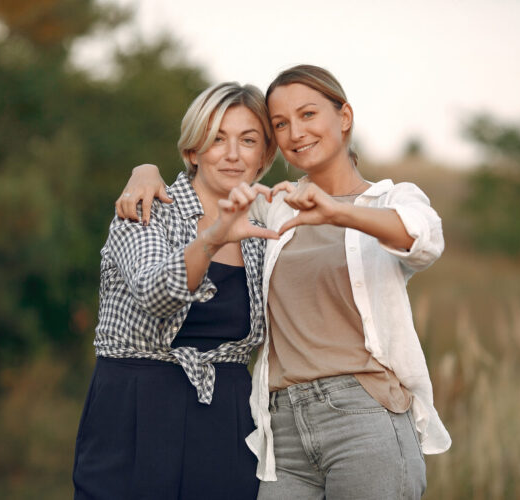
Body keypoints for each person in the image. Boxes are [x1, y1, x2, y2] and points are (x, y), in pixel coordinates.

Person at [118, 64, 451, 499]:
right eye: (281, 124)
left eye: (308, 115)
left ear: (344, 117)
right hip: (282, 429)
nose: (296, 132)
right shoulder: (276, 206)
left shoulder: (390, 201)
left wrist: (338, 212)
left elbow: (423, 238)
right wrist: (145, 170)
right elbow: (210, 186)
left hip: (363, 414)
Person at [73, 82, 279, 499]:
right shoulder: (146, 208)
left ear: (264, 157)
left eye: (248, 140)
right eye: (217, 138)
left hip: (226, 417)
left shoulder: (267, 226)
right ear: (193, 151)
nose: (233, 153)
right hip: (134, 407)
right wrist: (216, 235)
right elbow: (156, 292)